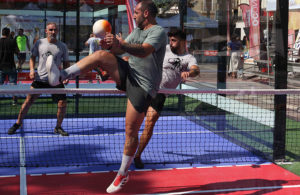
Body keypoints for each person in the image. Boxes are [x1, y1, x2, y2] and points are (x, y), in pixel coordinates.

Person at [46, 1, 167, 193]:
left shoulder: (158, 31)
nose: (134, 15)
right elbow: (122, 50)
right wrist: (110, 46)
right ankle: (61, 76)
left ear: (146, 13)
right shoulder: (136, 30)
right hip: (129, 72)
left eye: (136, 12)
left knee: (130, 131)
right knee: (101, 54)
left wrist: (123, 44)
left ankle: (122, 173)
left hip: (144, 85)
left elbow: (143, 50)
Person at [133, 28, 200, 169]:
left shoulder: (188, 58)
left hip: (160, 93)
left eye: (174, 40)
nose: (171, 42)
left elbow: (196, 70)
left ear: (183, 41)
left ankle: (137, 155)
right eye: (170, 39)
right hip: (146, 86)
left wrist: (189, 73)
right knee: (133, 124)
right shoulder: (164, 49)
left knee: (150, 122)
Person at [8, 22, 70, 136]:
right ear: (46, 31)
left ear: (57, 31)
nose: (53, 32)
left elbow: (66, 63)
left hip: (56, 80)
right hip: (40, 79)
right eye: (50, 30)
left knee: (62, 104)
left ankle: (58, 127)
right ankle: (17, 123)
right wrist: (32, 70)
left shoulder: (62, 46)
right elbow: (32, 58)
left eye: (55, 30)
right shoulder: (39, 43)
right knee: (28, 101)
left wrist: (66, 76)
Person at [0, 27, 19, 106]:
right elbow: (17, 51)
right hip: (10, 66)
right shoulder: (12, 41)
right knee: (13, 85)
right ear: (9, 33)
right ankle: (14, 101)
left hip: (0, 66)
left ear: (2, 33)